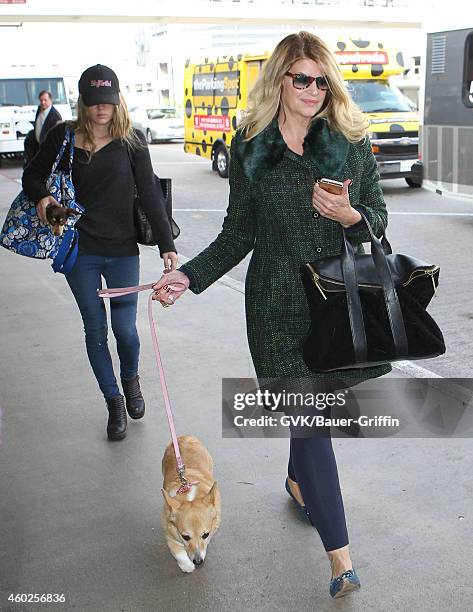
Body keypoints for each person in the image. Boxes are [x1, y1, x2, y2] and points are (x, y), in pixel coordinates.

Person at [152, 31, 391, 599]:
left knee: (309, 419)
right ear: (279, 81)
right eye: (301, 79)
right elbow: (239, 232)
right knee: (311, 420)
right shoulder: (251, 147)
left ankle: (295, 479)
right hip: (274, 307)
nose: (313, 90)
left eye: (321, 80)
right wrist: (188, 275)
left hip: (334, 302)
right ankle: (342, 559)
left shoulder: (350, 143)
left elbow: (379, 224)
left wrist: (351, 215)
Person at [22, 64, 177, 441]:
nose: (101, 110)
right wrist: (45, 199)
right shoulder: (63, 136)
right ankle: (114, 403)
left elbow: (151, 195)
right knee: (95, 330)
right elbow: (32, 175)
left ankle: (130, 380)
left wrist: (167, 246)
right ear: (83, 102)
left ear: (117, 101)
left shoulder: (132, 141)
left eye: (107, 102)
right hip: (80, 252)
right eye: (94, 102)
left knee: (125, 330)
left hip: (122, 250)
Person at [23, 90, 62, 166]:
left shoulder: (55, 116)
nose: (43, 102)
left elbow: (57, 135)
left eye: (45, 100)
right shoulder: (39, 110)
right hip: (38, 146)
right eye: (41, 100)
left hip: (48, 149)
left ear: (50, 100)